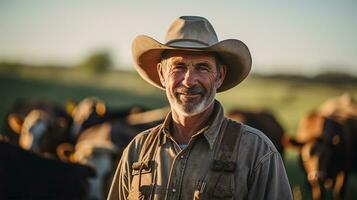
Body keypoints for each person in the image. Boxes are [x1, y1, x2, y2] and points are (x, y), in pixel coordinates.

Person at [107, 16, 293, 200]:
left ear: (219, 76)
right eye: (178, 66)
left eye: (202, 67)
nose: (188, 81)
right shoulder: (138, 150)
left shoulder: (256, 151)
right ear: (162, 74)